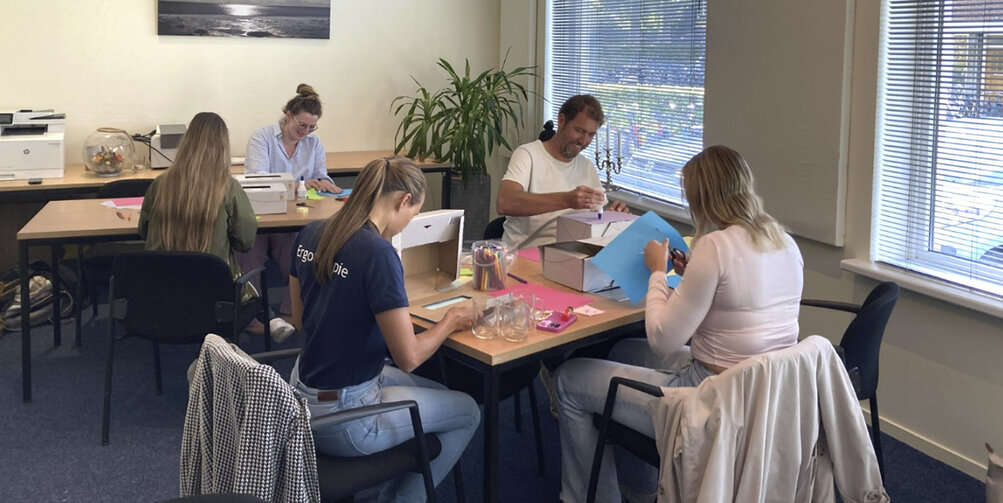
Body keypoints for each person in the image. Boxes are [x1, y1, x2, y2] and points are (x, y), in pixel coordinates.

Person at [553, 145, 805, 502]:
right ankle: (641, 490)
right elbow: (737, 302)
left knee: (568, 378)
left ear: (703, 198)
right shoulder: (784, 241)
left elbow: (662, 340)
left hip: (708, 399)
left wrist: (658, 271)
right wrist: (690, 278)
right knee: (622, 349)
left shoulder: (715, 246)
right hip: (764, 392)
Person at [288, 156, 480, 501]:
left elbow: (301, 321)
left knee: (435, 389)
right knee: (467, 410)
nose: (408, 223)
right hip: (344, 416)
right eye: (413, 214)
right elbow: (408, 357)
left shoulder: (310, 233)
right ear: (403, 200)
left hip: (301, 396)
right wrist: (452, 320)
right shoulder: (378, 253)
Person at [138, 112, 295, 342]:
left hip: (161, 297)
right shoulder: (227, 188)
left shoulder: (159, 185)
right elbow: (246, 239)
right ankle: (270, 318)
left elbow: (144, 232)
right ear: (223, 147)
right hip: (215, 300)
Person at [238, 84, 342, 337]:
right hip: (263, 217)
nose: (305, 132)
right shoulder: (262, 138)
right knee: (247, 251)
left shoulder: (313, 143)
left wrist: (325, 182)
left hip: (295, 217)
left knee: (301, 250)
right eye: (301, 125)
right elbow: (258, 180)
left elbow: (320, 174)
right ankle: (252, 314)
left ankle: (289, 311)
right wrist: (302, 184)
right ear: (288, 115)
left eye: (311, 127)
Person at [496, 94, 629, 250]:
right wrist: (567, 200)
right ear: (561, 121)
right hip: (528, 255)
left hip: (572, 256)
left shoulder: (587, 166)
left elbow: (595, 226)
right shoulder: (528, 155)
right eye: (579, 130)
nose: (584, 141)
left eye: (591, 134)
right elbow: (505, 203)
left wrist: (612, 219)